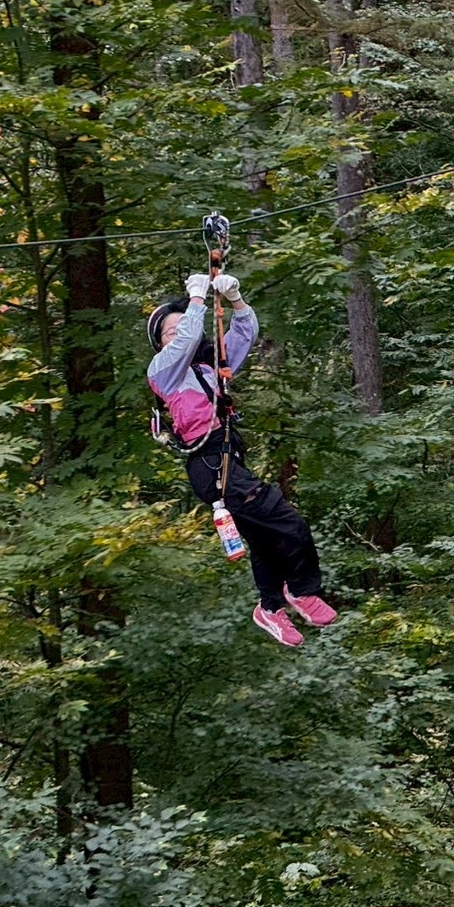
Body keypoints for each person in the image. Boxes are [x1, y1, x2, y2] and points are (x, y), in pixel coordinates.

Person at [146, 272, 335, 647]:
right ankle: (300, 589)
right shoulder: (162, 373)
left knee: (265, 539)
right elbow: (185, 341)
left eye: (184, 326)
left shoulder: (208, 368)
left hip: (229, 460)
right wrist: (195, 302)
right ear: (160, 344)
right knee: (289, 522)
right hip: (210, 464)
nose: (182, 332)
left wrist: (235, 300)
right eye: (172, 330)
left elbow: (244, 334)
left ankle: (269, 606)